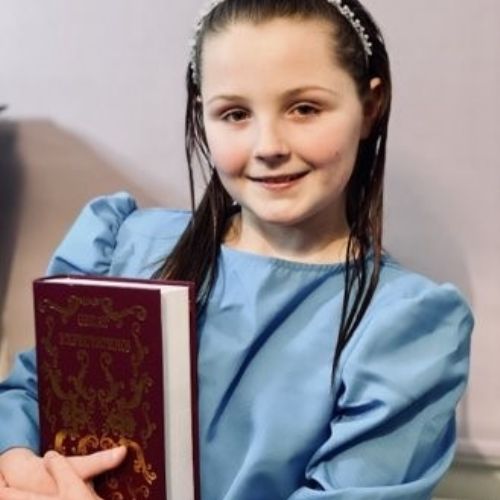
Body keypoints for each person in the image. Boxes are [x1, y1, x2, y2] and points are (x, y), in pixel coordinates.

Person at [0, 0, 473, 499]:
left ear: (370, 107)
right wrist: (16, 466)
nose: (268, 146)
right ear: (202, 116)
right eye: (235, 114)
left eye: (305, 108)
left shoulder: (402, 328)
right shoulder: (123, 247)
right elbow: (32, 394)